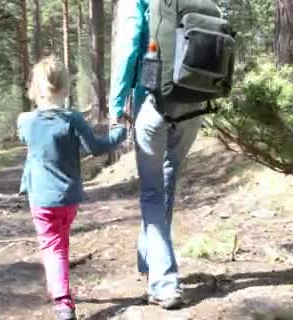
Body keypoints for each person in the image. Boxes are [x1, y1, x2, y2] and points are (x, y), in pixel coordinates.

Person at [109, 0, 205, 310]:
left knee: (152, 193)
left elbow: (128, 44)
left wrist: (116, 103)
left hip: (153, 100)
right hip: (194, 103)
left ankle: (165, 283)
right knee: (166, 182)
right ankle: (149, 264)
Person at [18, 55, 127, 320]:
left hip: (41, 197)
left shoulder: (25, 120)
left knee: (52, 245)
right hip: (68, 197)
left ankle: (63, 302)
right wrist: (119, 134)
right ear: (66, 88)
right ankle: (60, 287)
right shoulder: (73, 119)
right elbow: (96, 148)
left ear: (35, 89)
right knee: (60, 242)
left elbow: (31, 141)